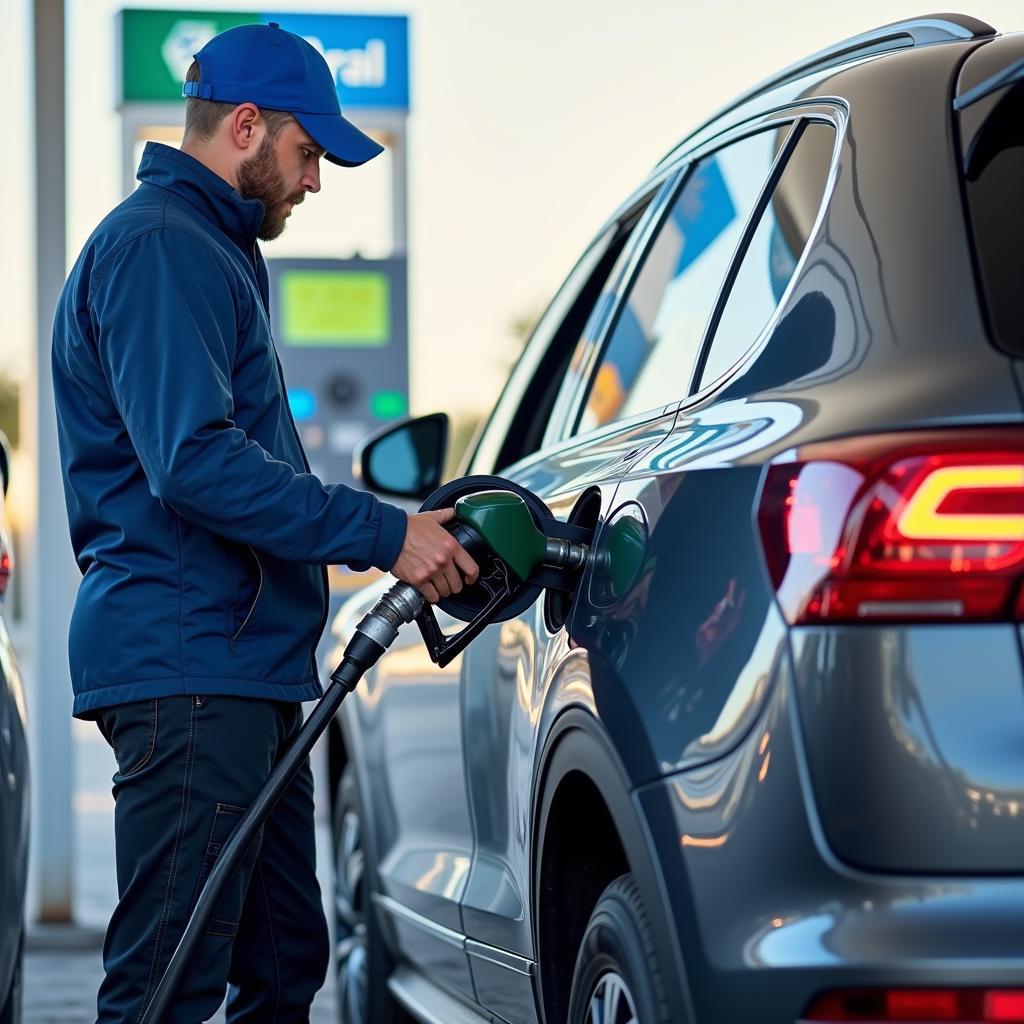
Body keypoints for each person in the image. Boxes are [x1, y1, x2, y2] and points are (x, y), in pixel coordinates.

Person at [51, 22, 478, 1023]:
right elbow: (194, 464)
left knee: (286, 959)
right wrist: (385, 534)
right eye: (307, 152)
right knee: (169, 979)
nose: (316, 181)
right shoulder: (165, 246)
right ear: (245, 126)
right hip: (190, 663)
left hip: (239, 666)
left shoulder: (208, 247)